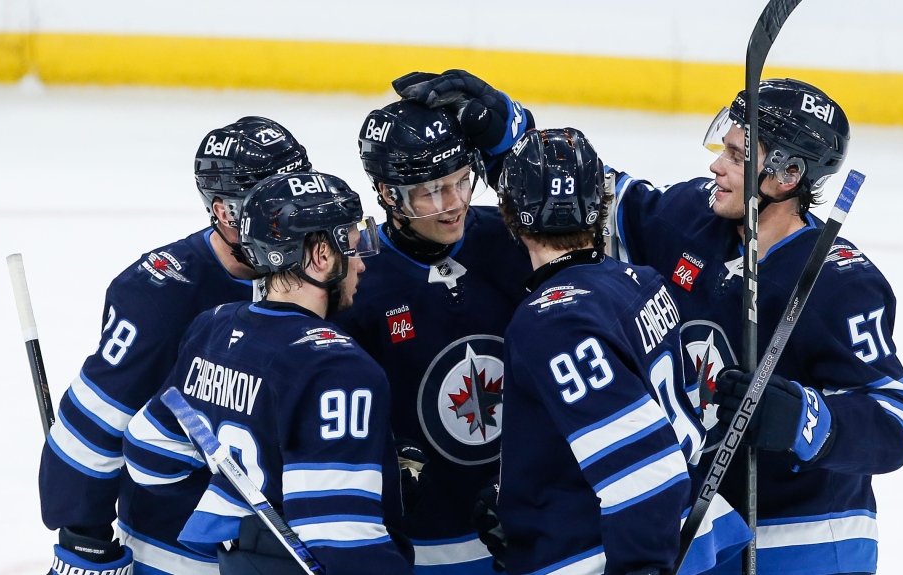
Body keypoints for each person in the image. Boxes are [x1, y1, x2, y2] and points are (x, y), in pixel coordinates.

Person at [402, 73, 903, 575]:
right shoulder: (694, 215)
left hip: (805, 538)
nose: (717, 165)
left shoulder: (839, 282)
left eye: (739, 156)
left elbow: (896, 420)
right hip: (702, 527)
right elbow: (581, 199)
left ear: (787, 177)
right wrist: (504, 132)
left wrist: (805, 419)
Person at [39, 117, 311, 575]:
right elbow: (98, 418)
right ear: (224, 211)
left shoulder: (321, 269)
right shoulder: (162, 294)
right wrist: (82, 535)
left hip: (291, 549)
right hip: (176, 553)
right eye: (270, 204)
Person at [121, 170, 414, 575]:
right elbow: (343, 540)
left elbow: (148, 454)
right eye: (350, 242)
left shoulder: (213, 327)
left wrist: (240, 519)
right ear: (321, 255)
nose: (361, 262)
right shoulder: (338, 367)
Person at [494, 127, 749, 575]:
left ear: (510, 213)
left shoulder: (551, 321)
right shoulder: (643, 281)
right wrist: (525, 498)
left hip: (598, 552)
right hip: (683, 531)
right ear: (600, 205)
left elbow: (644, 473)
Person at [326, 86, 534, 573]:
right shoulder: (356, 280)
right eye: (430, 191)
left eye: (461, 181)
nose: (452, 204)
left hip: (528, 518)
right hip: (421, 541)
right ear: (385, 194)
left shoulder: (511, 240)